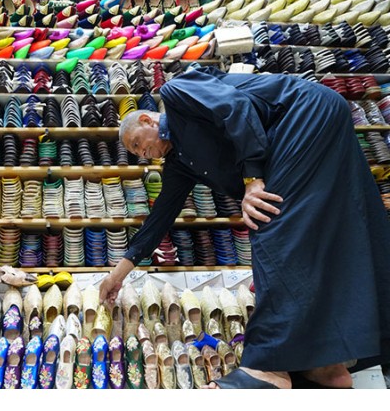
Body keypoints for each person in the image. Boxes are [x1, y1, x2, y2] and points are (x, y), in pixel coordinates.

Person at [98, 66, 390, 389]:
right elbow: (159, 220)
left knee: (270, 231)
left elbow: (235, 107)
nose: (143, 154)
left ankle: (268, 367)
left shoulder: (177, 93)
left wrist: (252, 179)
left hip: (302, 114)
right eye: (137, 153)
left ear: (147, 120)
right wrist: (117, 275)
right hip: (307, 127)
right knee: (317, 236)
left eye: (138, 144)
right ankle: (326, 363)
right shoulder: (179, 163)